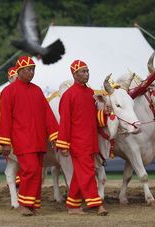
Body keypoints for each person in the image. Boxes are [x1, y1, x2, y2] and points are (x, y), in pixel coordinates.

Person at [0, 56, 58, 216]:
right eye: (28, 70)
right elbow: (4, 118)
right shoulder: (8, 91)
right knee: (30, 170)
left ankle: (32, 204)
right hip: (22, 139)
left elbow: (47, 114)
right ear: (19, 71)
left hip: (39, 140)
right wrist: (5, 142)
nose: (31, 72)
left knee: (37, 172)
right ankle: (23, 204)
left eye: (33, 69)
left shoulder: (37, 90)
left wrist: (54, 135)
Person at [55, 60, 108, 216]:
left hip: (90, 140)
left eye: (87, 71)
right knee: (88, 173)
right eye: (83, 72)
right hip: (77, 142)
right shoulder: (68, 95)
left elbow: (93, 118)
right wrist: (64, 145)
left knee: (80, 174)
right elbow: (64, 122)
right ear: (74, 74)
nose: (86, 74)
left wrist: (105, 113)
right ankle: (97, 204)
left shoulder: (90, 93)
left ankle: (73, 205)